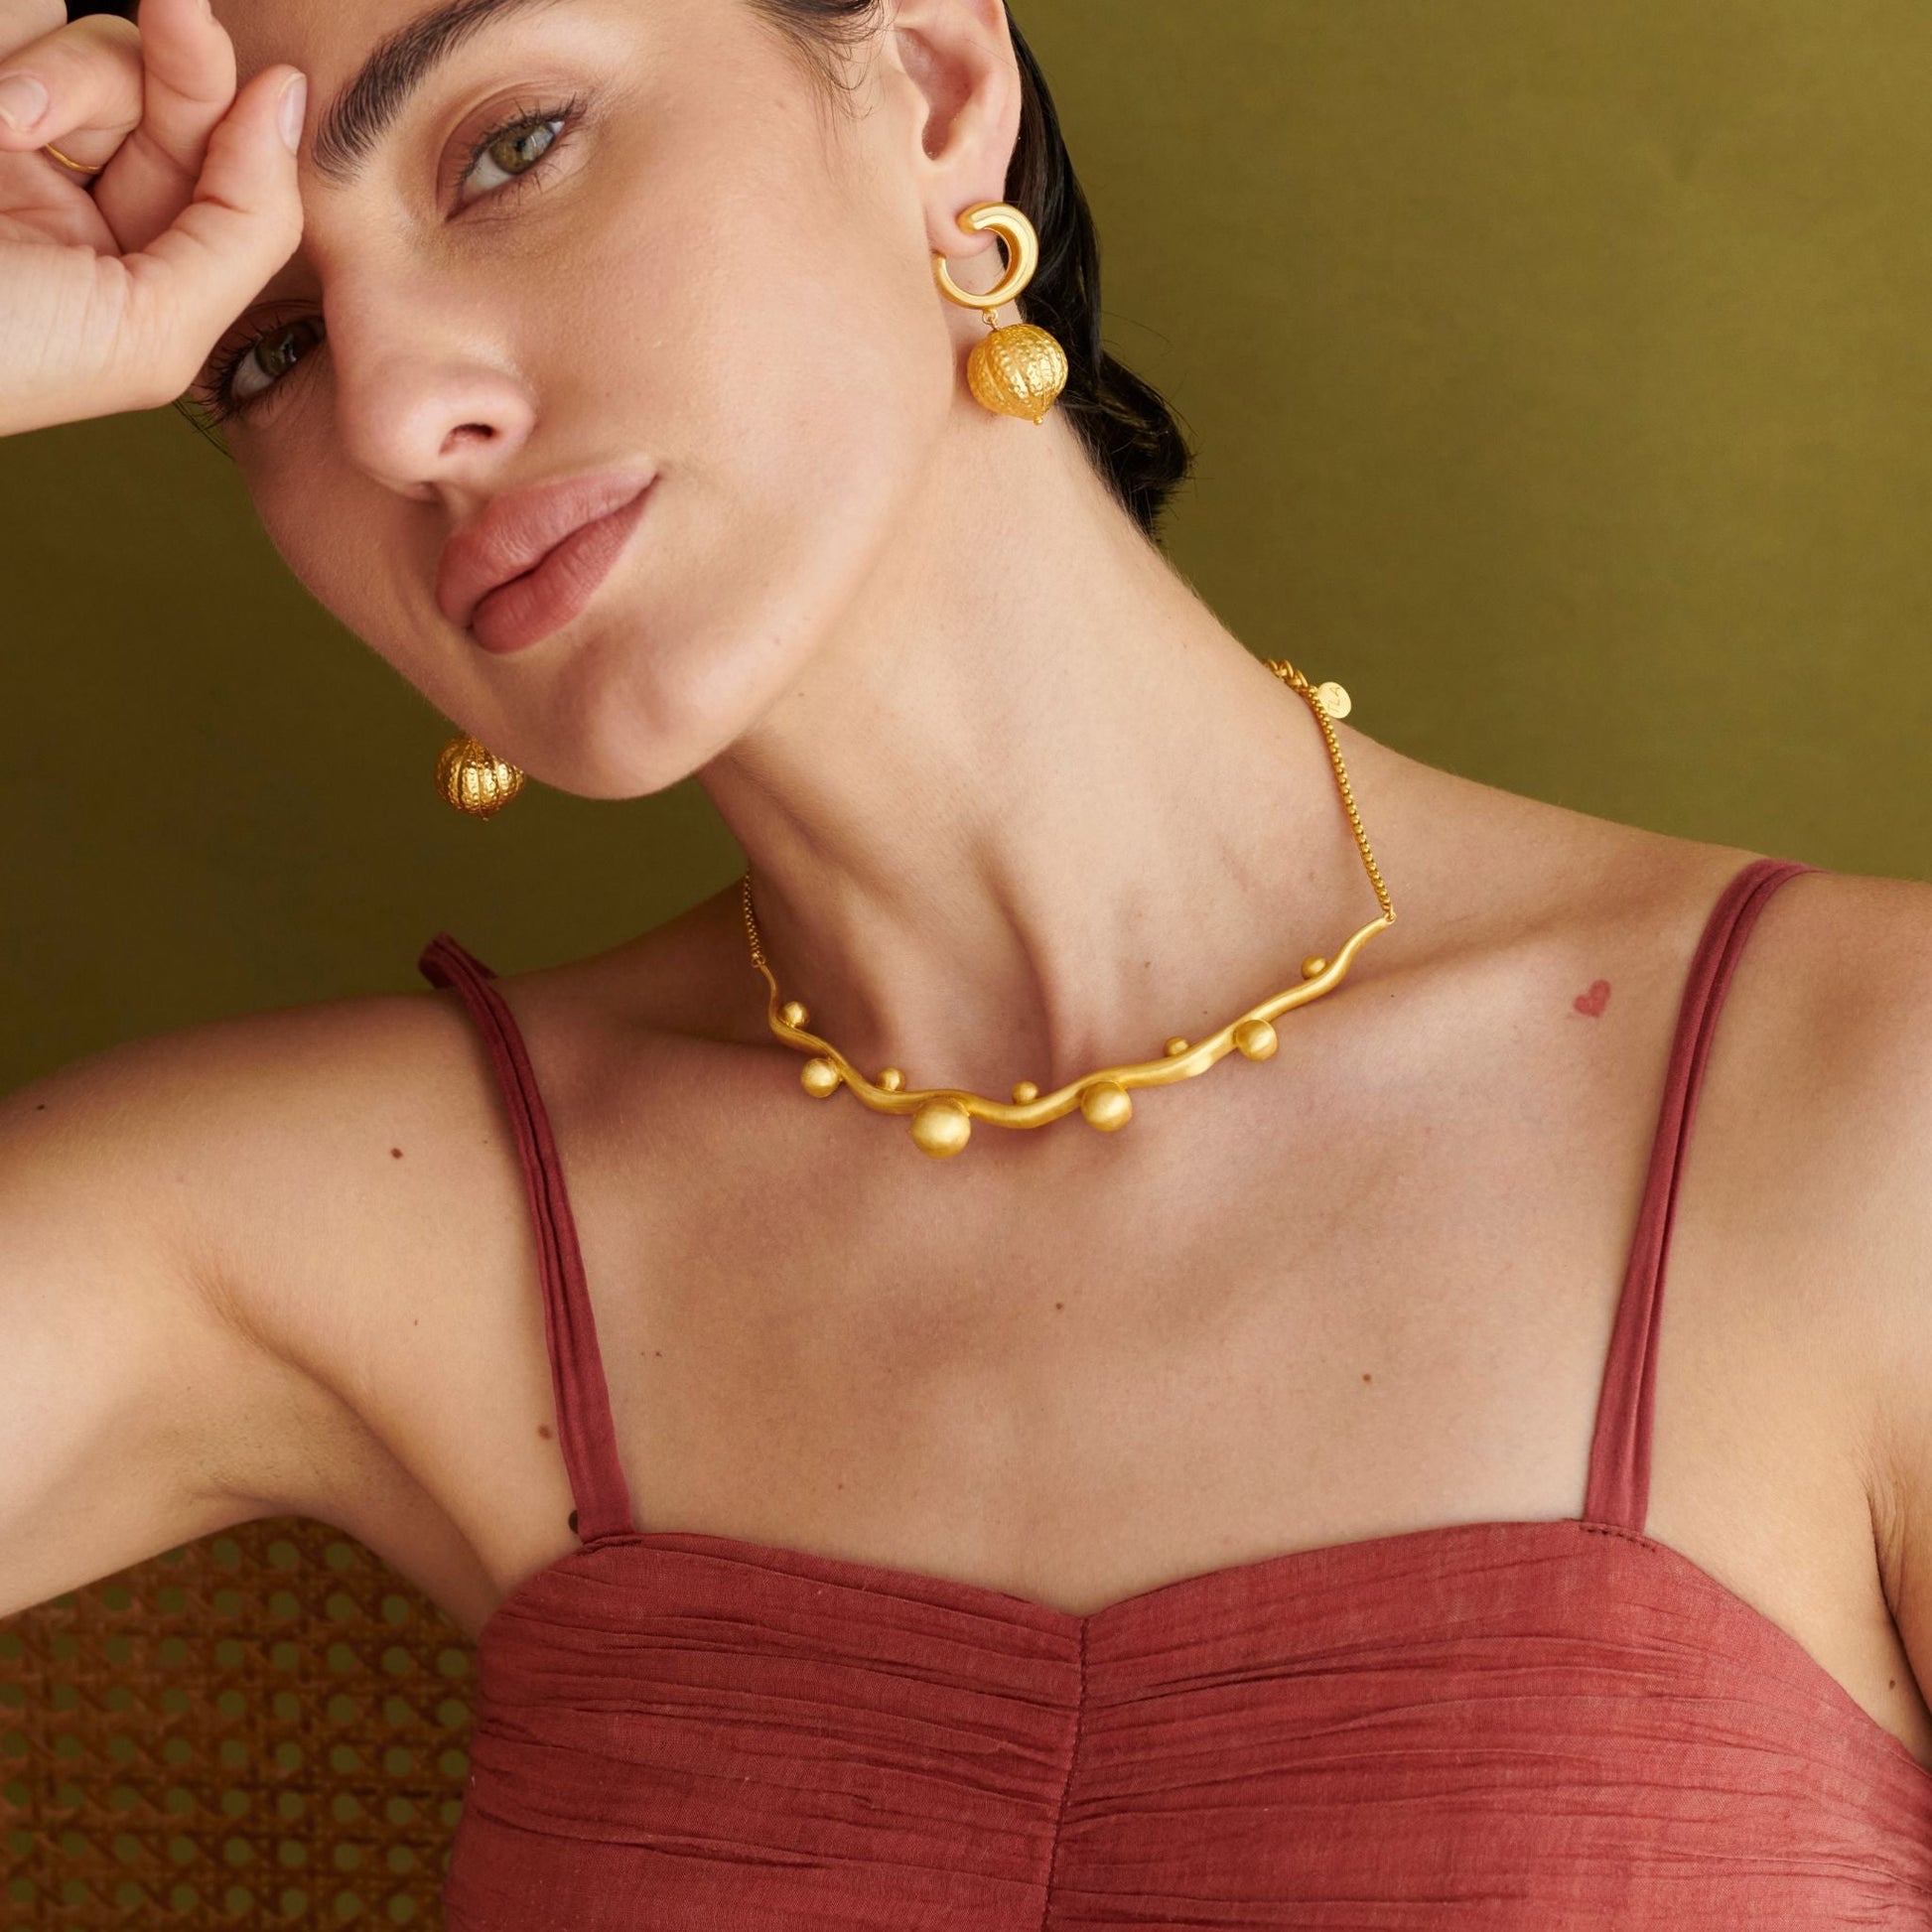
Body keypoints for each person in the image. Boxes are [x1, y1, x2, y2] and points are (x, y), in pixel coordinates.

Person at [4, 0, 1931, 1920]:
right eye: (269, 347)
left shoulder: (1866, 1109)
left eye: (509, 150)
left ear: (931, 88)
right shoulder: (342, 1223)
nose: (393, 414)